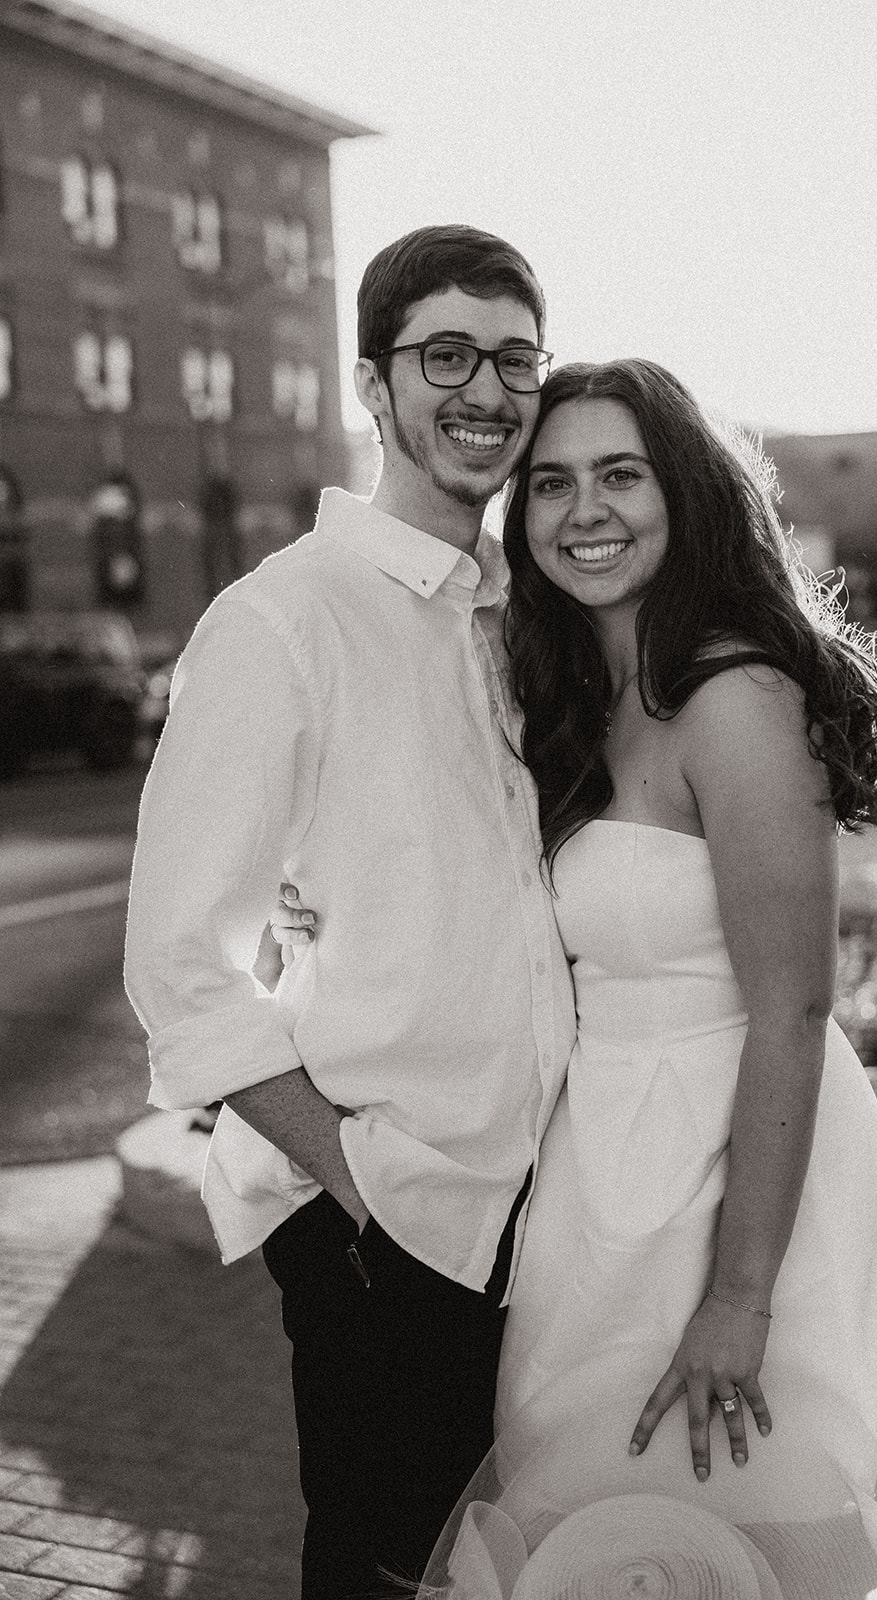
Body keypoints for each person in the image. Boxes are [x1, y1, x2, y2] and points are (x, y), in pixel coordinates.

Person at [281, 359, 877, 1597]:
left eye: (618, 475)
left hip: (740, 1167)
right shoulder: (566, 696)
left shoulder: (735, 693)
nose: (583, 509)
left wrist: (737, 1300)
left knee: (739, 1525)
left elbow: (794, 1012)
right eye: (550, 484)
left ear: (681, 494)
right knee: (590, 1520)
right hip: (599, 1165)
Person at [123, 225, 576, 1600]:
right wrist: (360, 1182)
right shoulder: (284, 622)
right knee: (383, 1571)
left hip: (541, 1215)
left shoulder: (519, 623)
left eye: (513, 360)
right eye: (445, 354)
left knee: (498, 1569)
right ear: (371, 387)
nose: (484, 391)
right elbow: (181, 962)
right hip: (389, 1223)